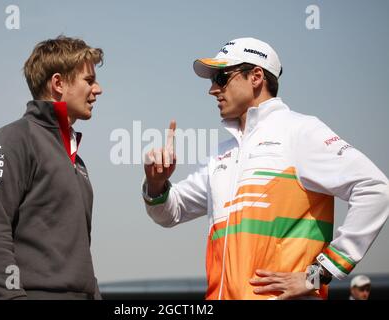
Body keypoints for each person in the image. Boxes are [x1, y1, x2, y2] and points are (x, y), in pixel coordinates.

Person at [142, 37, 389, 300]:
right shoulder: (222, 153)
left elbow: (374, 188)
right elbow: (170, 213)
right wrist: (156, 183)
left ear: (256, 77)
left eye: (221, 78)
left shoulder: (301, 131)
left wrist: (319, 273)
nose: (212, 89)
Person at [0, 36, 103, 300]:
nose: (98, 89)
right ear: (58, 83)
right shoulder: (13, 140)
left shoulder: (76, 160)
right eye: (89, 80)